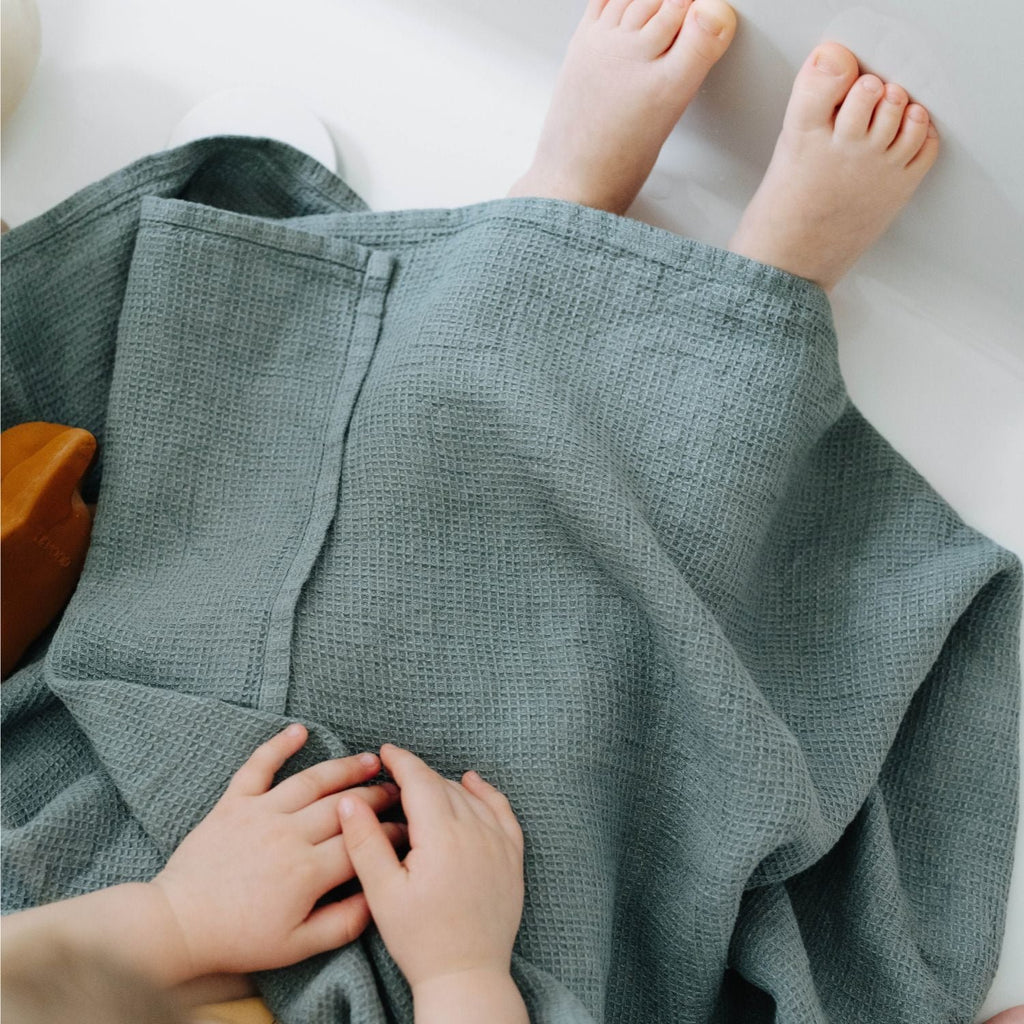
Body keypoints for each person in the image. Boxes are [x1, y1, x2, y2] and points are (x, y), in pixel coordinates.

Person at [4, 1, 1021, 1023]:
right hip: (492, 957)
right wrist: (461, 970)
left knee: (370, 494)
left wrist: (173, 920)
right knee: (608, 670)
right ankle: (756, 309)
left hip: (137, 861)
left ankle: (551, 213)